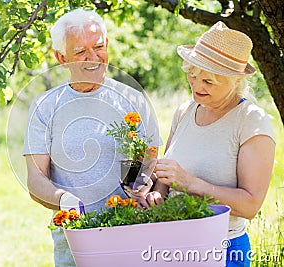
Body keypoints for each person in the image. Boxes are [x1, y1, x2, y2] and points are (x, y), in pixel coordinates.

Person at [22, 9, 160, 266]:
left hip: (130, 232)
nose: (93, 58)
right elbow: (35, 180)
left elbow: (149, 156)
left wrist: (134, 186)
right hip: (76, 242)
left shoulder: (132, 100)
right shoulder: (45, 107)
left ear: (107, 45)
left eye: (98, 47)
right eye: (80, 52)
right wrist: (65, 200)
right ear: (61, 58)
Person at [147, 21, 275, 267]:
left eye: (208, 82)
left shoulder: (250, 120)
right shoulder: (185, 111)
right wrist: (156, 194)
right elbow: (166, 176)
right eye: (192, 75)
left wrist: (191, 184)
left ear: (235, 81)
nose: (196, 86)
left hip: (222, 250)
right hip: (171, 246)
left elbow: (250, 205)